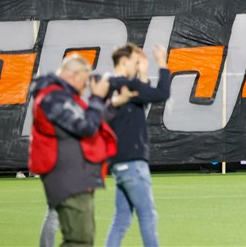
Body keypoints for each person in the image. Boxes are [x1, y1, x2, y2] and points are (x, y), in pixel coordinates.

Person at [28, 54, 117, 247]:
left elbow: (92, 121)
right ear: (75, 75)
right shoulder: (54, 97)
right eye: (85, 81)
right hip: (67, 177)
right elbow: (86, 127)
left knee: (82, 239)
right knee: (79, 240)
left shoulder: (60, 96)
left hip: (74, 176)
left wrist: (110, 104)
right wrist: (96, 98)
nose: (85, 87)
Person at [104, 44, 171, 247]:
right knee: (147, 216)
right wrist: (161, 63)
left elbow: (142, 101)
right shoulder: (128, 87)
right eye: (135, 62)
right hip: (133, 164)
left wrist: (142, 74)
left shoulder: (107, 85)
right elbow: (161, 93)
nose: (138, 65)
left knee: (122, 220)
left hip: (118, 163)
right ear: (124, 62)